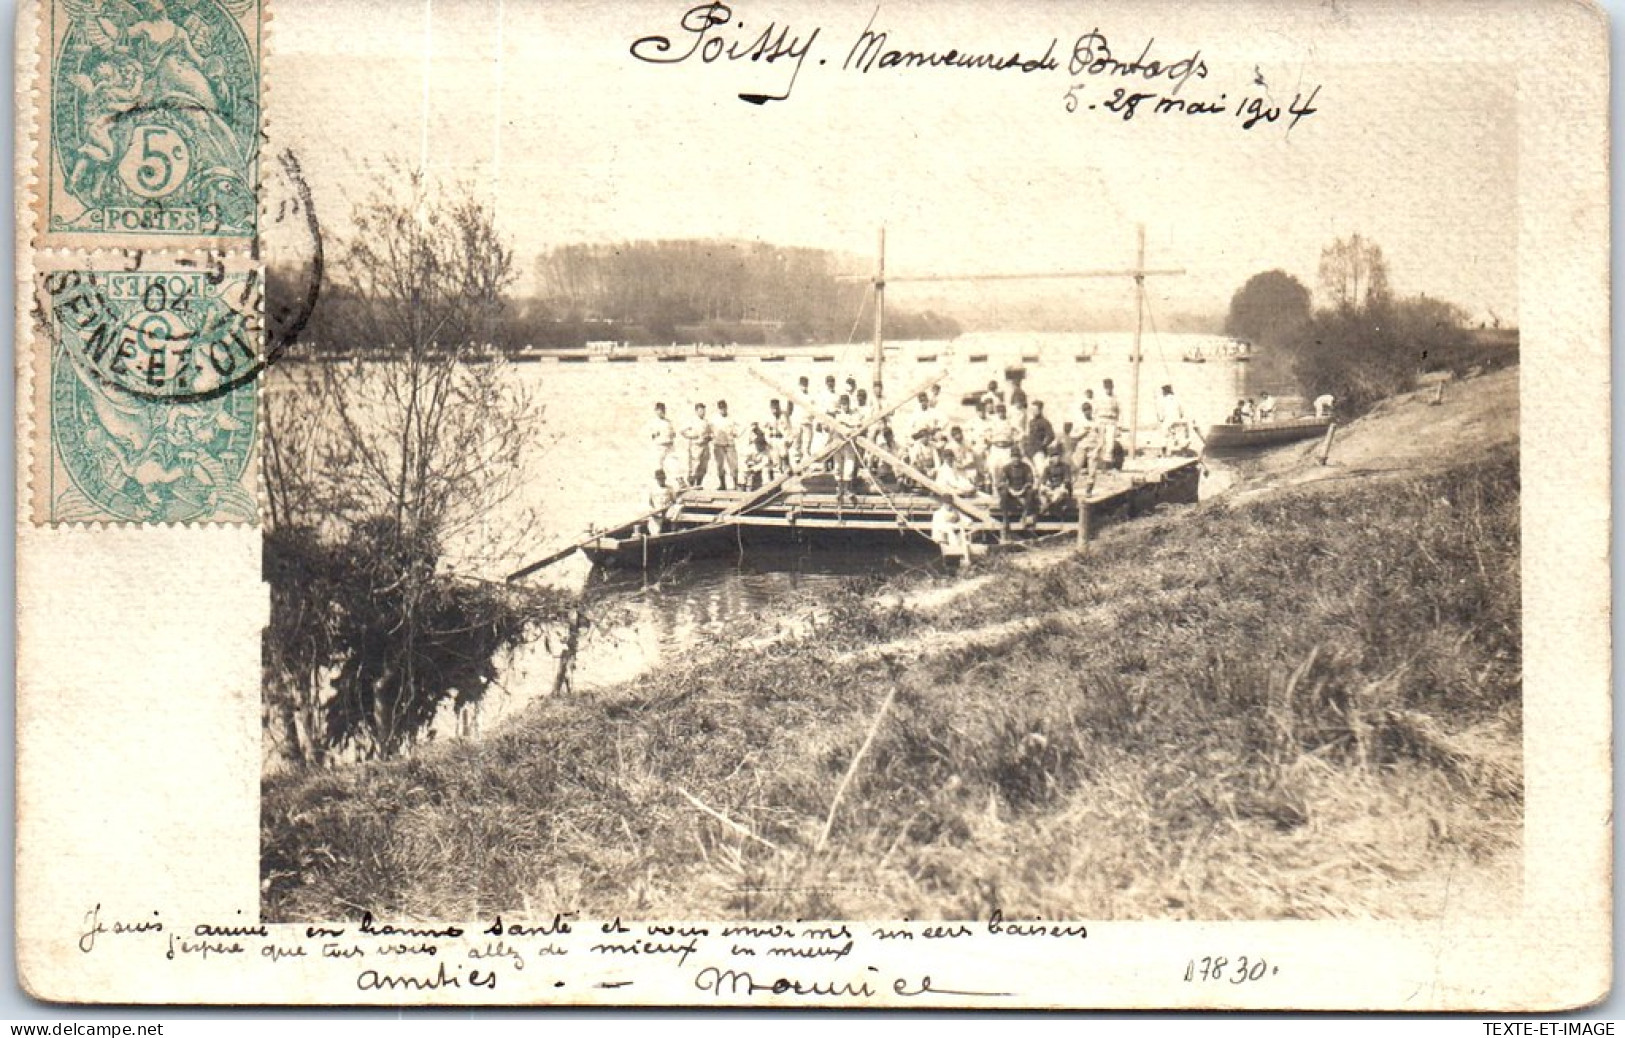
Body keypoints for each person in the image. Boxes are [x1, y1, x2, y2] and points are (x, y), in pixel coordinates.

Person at [995, 450, 1039, 535]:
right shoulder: (1006, 468)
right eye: (1014, 457)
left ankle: (1025, 515)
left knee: (1031, 492)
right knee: (1003, 493)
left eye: (1017, 457)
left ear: (1020, 458)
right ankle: (1005, 519)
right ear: (1011, 458)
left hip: (1023, 490)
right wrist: (1009, 489)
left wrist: (1023, 489)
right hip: (1011, 490)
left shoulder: (1026, 467)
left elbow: (1029, 481)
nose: (1016, 459)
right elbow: (1001, 482)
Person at [710, 399, 739, 491]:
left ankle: (736, 484)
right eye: (721, 408)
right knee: (720, 465)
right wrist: (712, 436)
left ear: (727, 408)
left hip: (729, 444)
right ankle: (722, 484)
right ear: (718, 409)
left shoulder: (732, 418)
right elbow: (709, 430)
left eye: (724, 408)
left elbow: (740, 427)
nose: (723, 410)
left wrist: (736, 433)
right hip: (718, 445)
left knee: (733, 465)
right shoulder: (714, 419)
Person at [1038, 443, 1072, 516]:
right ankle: (1048, 505)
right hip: (1052, 488)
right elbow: (1043, 479)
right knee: (1041, 491)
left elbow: (1067, 479)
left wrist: (1062, 486)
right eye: (1053, 456)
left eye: (1057, 456)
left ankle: (1047, 506)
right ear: (1051, 458)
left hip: (1062, 488)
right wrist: (1044, 485)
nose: (1056, 458)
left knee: (1060, 493)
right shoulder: (1048, 468)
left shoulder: (1065, 466)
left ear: (1060, 457)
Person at [1157, 385, 1192, 456]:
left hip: (1168, 420)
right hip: (1177, 420)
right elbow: (1182, 412)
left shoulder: (1162, 400)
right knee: (1180, 436)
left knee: (1164, 437)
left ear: (1164, 391)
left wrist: (1161, 420)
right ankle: (1184, 452)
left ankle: (1164, 454)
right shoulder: (1177, 399)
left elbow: (1160, 414)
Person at [682, 402, 711, 488]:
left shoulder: (706, 422)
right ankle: (691, 485)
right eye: (700, 410)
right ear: (696, 411)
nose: (703, 412)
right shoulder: (692, 421)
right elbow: (682, 431)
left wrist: (709, 437)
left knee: (703, 466)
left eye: (703, 410)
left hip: (705, 445)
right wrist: (692, 436)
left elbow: (711, 432)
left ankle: (699, 484)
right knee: (695, 466)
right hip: (696, 446)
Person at [646, 401, 678, 481]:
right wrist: (653, 434)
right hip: (659, 446)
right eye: (659, 410)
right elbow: (647, 433)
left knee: (673, 464)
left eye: (663, 410)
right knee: (658, 465)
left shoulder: (668, 422)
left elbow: (673, 433)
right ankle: (661, 483)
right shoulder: (652, 422)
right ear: (656, 411)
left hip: (669, 446)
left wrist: (672, 435)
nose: (661, 412)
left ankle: (680, 482)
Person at [646, 468, 678, 536]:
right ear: (656, 479)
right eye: (659, 479)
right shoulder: (652, 489)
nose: (661, 480)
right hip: (657, 513)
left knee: (678, 508)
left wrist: (671, 507)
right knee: (655, 532)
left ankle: (673, 530)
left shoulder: (670, 488)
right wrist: (653, 511)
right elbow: (649, 503)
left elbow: (674, 501)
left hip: (667, 512)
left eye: (663, 478)